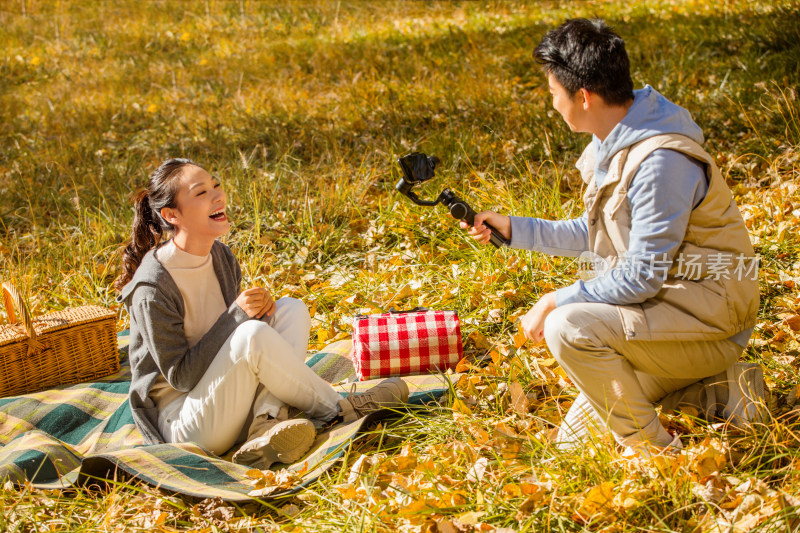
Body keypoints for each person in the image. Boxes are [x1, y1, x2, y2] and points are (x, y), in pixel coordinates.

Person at [462, 19, 767, 455]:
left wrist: (555, 300)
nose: (552, 104)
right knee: (576, 445)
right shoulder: (616, 140)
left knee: (568, 326)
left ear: (583, 96)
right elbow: (600, 237)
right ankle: (722, 389)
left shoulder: (660, 162)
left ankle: (657, 453)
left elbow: (640, 276)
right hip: (664, 315)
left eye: (553, 93)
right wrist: (516, 229)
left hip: (708, 325)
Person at [116, 158, 408, 469]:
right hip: (188, 424)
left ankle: (265, 424)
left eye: (216, 186)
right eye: (201, 193)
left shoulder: (220, 256)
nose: (217, 196)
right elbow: (183, 377)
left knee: (290, 310)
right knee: (250, 335)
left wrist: (255, 311)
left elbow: (229, 343)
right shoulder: (153, 287)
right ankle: (339, 409)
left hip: (227, 403)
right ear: (171, 215)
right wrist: (237, 317)